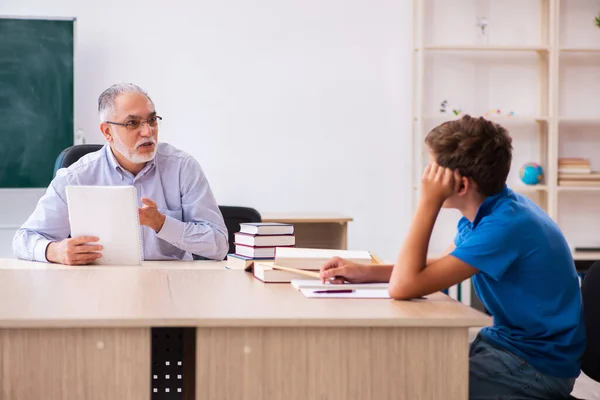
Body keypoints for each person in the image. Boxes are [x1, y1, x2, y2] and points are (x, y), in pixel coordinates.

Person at [320, 115, 586, 399]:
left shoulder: (505, 226)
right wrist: (367, 271)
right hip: (506, 346)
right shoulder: (492, 212)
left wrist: (428, 202)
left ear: (460, 186)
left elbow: (404, 287)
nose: (426, 178)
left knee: (411, 389)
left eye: (432, 171)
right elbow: (439, 269)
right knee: (403, 371)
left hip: (536, 367)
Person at [13, 83, 228, 265]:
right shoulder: (75, 177)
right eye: (133, 123)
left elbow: (218, 245)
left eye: (152, 120)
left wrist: (162, 224)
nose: (147, 132)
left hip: (171, 287)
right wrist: (54, 251)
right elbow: (23, 239)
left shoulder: (183, 168)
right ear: (107, 131)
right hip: (97, 288)